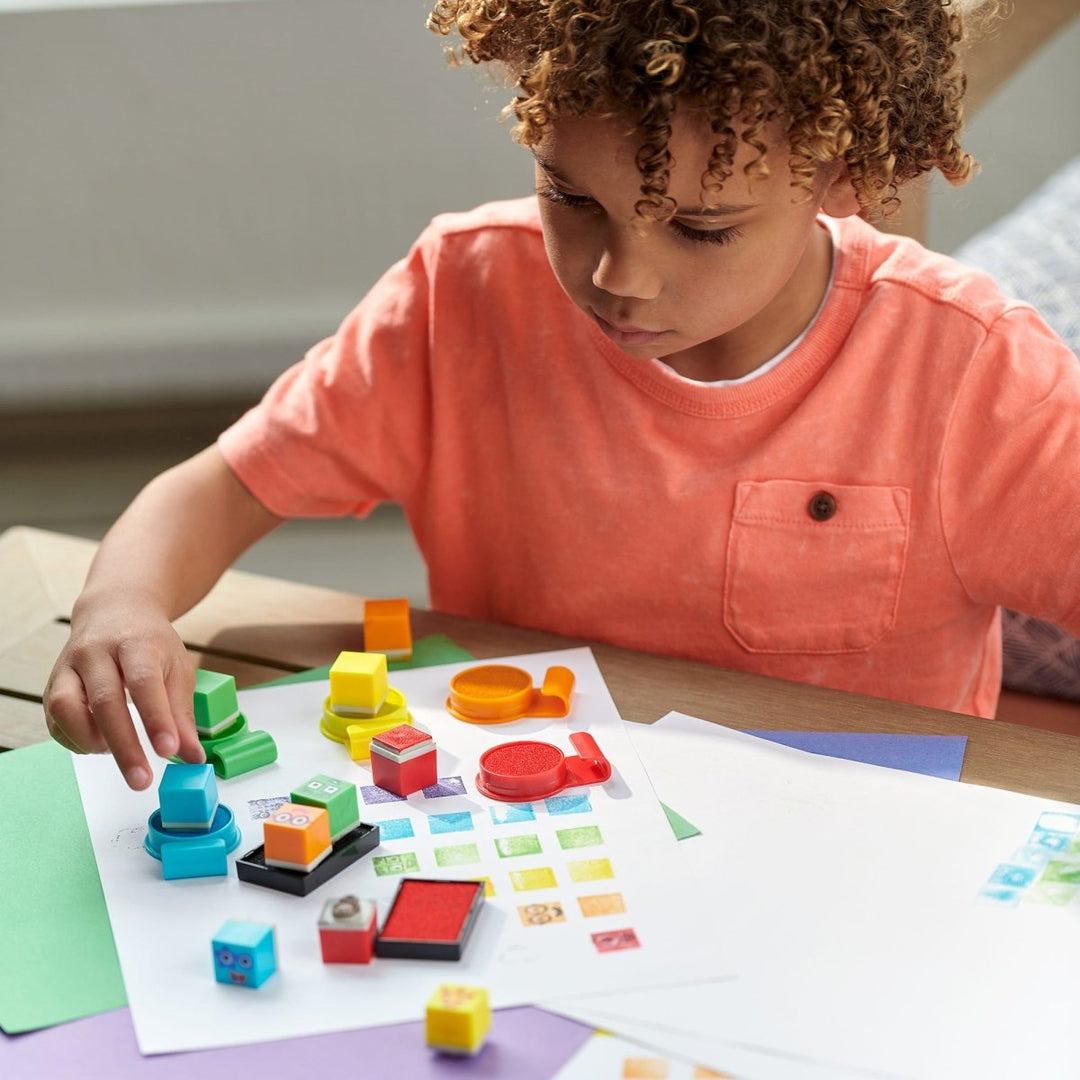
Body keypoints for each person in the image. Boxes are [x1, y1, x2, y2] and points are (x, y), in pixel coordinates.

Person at [44, 0, 1080, 790]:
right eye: (571, 198)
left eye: (703, 228)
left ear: (843, 177)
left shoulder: (970, 372)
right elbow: (223, 487)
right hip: (523, 827)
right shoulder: (463, 295)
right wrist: (122, 604)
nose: (618, 277)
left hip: (856, 869)